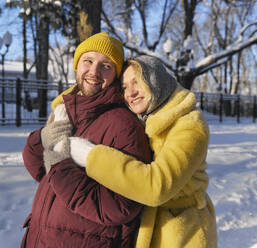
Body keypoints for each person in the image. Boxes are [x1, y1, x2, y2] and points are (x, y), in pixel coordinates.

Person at [52, 55, 218, 248]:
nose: (130, 93)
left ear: (155, 80)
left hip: (182, 233)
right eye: (124, 87)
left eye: (137, 82)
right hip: (146, 228)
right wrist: (62, 106)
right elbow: (92, 91)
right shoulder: (145, 115)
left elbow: (157, 187)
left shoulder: (189, 125)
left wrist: (91, 156)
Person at [21, 33, 152, 248]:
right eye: (88, 61)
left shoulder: (124, 126)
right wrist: (42, 138)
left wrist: (59, 164)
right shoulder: (67, 111)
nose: (94, 72)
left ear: (116, 75)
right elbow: (40, 172)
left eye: (106, 66)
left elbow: (122, 206)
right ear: (77, 65)